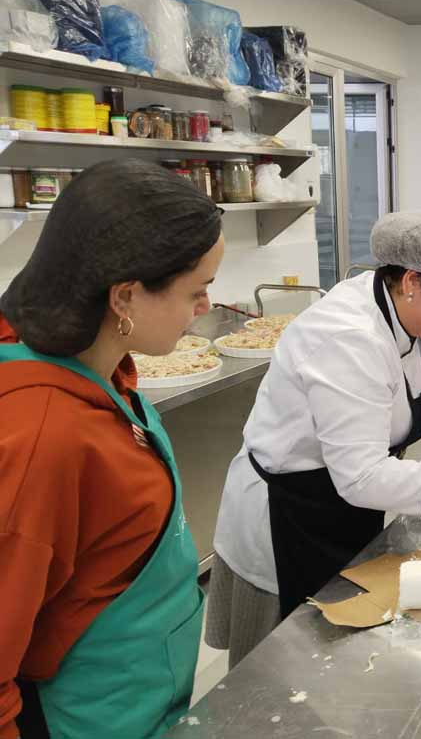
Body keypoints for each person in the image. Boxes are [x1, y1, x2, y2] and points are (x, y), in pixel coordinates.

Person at [208, 211, 421, 666]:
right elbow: (362, 477)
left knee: (335, 646)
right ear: (413, 281)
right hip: (289, 514)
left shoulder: (414, 314)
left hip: (341, 505)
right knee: (280, 665)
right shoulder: (348, 337)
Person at [0, 160, 224, 738]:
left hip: (142, 693)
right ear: (125, 297)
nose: (205, 307)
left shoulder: (104, 368)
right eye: (197, 291)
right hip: (87, 717)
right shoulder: (42, 436)